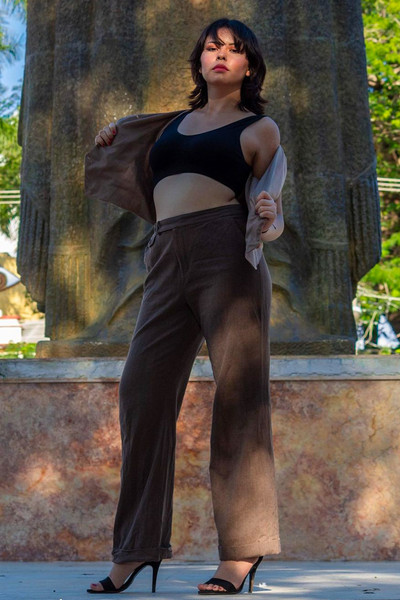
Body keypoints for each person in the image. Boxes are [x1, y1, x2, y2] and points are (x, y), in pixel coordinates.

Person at [86, 17, 286, 595]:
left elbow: (271, 197)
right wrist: (113, 135)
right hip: (166, 255)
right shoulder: (169, 126)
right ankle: (136, 547)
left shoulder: (259, 129)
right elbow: (133, 163)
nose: (221, 55)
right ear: (199, 60)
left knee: (239, 398)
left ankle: (242, 552)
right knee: (141, 391)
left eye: (235, 49)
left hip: (227, 254)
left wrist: (269, 215)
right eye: (212, 47)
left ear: (249, 66)